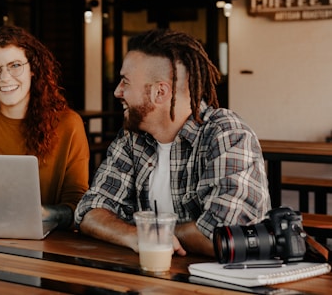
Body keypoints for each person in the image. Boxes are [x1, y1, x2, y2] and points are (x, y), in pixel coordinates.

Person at [74, 28, 271, 257]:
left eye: (125, 82)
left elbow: (223, 235)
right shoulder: (132, 138)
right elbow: (89, 212)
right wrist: (134, 235)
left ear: (160, 92)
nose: (118, 91)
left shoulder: (227, 134)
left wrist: (149, 232)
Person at [0, 25, 90, 229]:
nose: (4, 77)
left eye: (15, 65)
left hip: (47, 242)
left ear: (33, 69)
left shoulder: (68, 124)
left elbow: (77, 203)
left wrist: (43, 214)